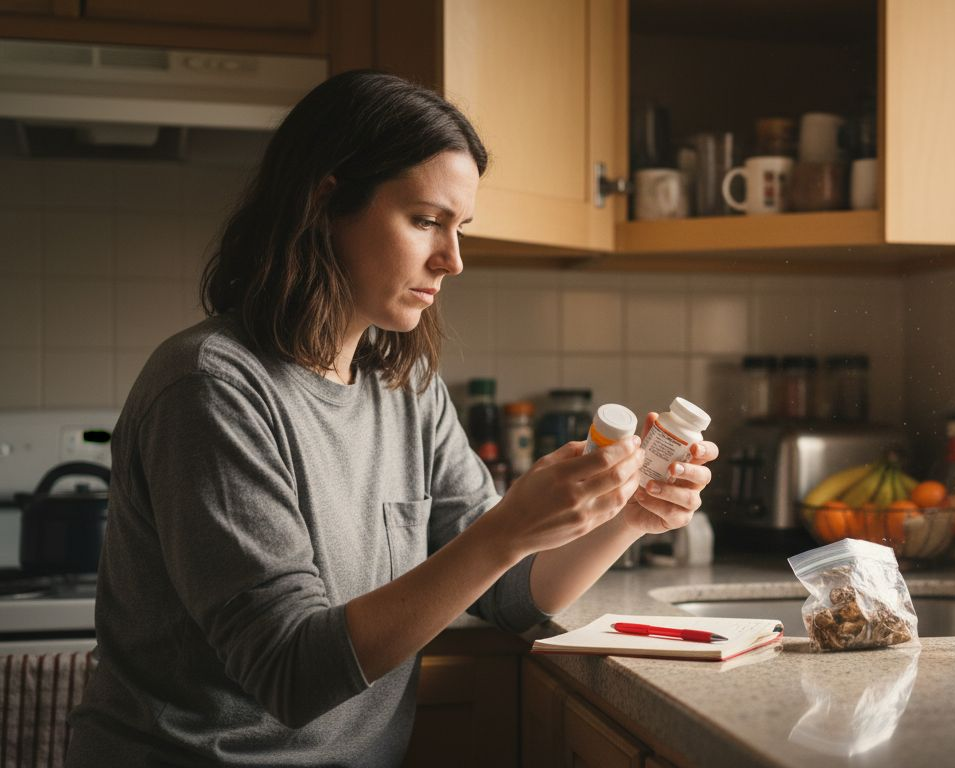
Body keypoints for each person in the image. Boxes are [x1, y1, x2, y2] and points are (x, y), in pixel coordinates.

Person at [66, 70, 717, 766]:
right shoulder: (211, 388)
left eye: (460, 228)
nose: (453, 259)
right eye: (426, 220)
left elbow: (510, 595)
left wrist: (627, 515)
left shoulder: (406, 387)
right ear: (326, 204)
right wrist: (506, 529)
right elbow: (289, 672)